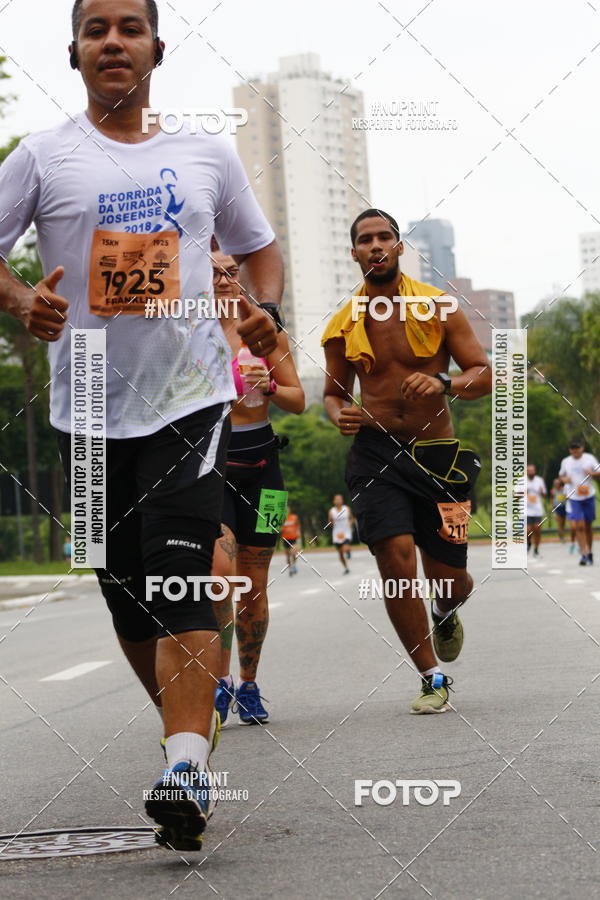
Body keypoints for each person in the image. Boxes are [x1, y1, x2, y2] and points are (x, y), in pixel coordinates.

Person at [0, 0, 283, 851]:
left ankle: (187, 767)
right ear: (76, 53)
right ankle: (185, 735)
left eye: (129, 27)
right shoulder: (42, 157)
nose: (113, 41)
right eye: (97, 29)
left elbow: (259, 247)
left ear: (157, 48)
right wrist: (22, 300)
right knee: (125, 594)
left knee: (180, 578)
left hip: (189, 396)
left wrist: (264, 308)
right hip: (82, 401)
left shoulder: (205, 154)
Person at [322, 208, 491, 714]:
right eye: (366, 240)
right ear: (354, 253)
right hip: (374, 454)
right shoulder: (342, 323)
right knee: (394, 557)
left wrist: (443, 382)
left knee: (452, 580)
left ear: (398, 246)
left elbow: (483, 376)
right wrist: (339, 414)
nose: (376, 246)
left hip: (439, 456)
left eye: (385, 237)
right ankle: (431, 677)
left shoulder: (439, 307)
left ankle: (445, 609)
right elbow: (332, 394)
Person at [210, 248, 304, 726]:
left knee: (255, 586)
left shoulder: (267, 333)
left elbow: (299, 400)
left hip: (266, 472)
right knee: (221, 575)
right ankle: (219, 681)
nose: (225, 280)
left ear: (245, 279)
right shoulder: (191, 332)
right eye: (214, 273)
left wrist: (267, 387)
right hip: (214, 467)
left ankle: (248, 684)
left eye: (232, 272)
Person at [559, 439, 600, 566]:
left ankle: (590, 551)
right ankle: (583, 554)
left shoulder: (590, 458)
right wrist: (565, 479)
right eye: (573, 448)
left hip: (588, 496)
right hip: (574, 497)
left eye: (577, 448)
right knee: (579, 526)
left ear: (582, 448)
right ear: (570, 450)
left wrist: (591, 473)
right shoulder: (566, 461)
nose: (575, 450)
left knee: (588, 526)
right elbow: (561, 475)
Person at [328, 494, 354, 574]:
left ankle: (348, 551)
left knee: (345, 548)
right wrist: (331, 522)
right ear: (334, 501)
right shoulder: (331, 511)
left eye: (339, 499)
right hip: (337, 534)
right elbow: (329, 523)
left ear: (342, 501)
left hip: (346, 532)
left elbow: (351, 518)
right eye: (336, 499)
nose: (338, 501)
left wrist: (350, 524)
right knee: (340, 554)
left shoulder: (346, 509)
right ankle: (346, 568)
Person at [526, 464, 546, 558]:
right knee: (528, 530)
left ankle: (536, 550)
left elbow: (544, 494)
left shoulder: (539, 480)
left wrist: (542, 492)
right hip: (526, 510)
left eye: (532, 471)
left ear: (535, 471)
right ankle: (529, 542)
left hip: (537, 510)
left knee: (537, 530)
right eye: (529, 471)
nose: (531, 473)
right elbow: (515, 496)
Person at [281, 505, 301, 575]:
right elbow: (279, 528)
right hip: (285, 539)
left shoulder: (294, 517)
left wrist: (298, 533)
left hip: (293, 538)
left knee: (293, 553)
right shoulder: (282, 518)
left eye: (288, 509)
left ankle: (294, 565)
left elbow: (298, 525)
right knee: (287, 555)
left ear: (290, 510)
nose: (287, 511)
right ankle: (290, 568)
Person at [550, 478, 568, 544]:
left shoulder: (563, 490)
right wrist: (552, 508)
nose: (557, 484)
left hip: (564, 507)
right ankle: (562, 537)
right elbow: (551, 500)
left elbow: (566, 497)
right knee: (560, 523)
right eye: (555, 483)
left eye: (558, 483)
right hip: (557, 508)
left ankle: (561, 534)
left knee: (563, 523)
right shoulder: (553, 491)